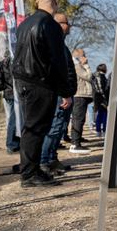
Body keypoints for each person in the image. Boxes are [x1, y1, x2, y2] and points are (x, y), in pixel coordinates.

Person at [12, 0, 75, 187]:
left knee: (31, 128)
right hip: (40, 82)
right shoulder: (50, 25)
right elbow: (57, 62)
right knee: (37, 128)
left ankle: (32, 170)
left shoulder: (24, 24)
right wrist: (65, 92)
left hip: (24, 81)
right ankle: (30, 174)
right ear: (54, 2)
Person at [39, 13, 77, 175]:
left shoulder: (61, 44)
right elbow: (57, 71)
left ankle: (52, 158)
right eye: (66, 23)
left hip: (66, 92)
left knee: (60, 127)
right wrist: (63, 93)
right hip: (59, 94)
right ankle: (44, 161)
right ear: (59, 25)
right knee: (54, 128)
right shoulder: (54, 43)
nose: (69, 26)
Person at [0, 54, 20, 155]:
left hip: (8, 93)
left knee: (14, 119)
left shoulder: (5, 62)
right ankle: (11, 145)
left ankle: (14, 143)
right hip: (13, 94)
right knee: (14, 119)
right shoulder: (13, 62)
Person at [69, 48, 93, 154]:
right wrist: (86, 65)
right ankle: (75, 144)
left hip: (80, 96)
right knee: (78, 120)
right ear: (78, 56)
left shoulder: (78, 65)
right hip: (79, 96)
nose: (85, 57)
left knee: (79, 119)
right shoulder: (77, 66)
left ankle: (76, 141)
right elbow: (88, 76)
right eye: (83, 55)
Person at [92, 64, 109, 137]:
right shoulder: (101, 76)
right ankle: (104, 131)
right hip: (102, 98)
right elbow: (101, 88)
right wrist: (105, 98)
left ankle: (98, 131)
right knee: (105, 115)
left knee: (99, 114)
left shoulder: (94, 76)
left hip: (97, 98)